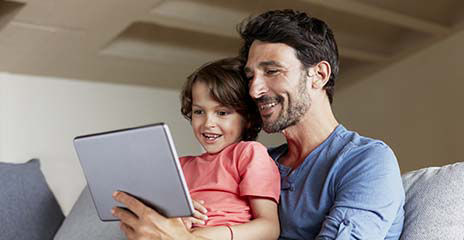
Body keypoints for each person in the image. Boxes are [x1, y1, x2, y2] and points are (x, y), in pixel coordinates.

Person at [112, 9, 405, 240]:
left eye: (272, 71)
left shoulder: (365, 161)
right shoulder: (260, 161)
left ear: (318, 75)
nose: (254, 90)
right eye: (251, 76)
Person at [114, 57, 281, 240]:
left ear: (248, 118)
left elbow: (269, 228)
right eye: (199, 112)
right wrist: (176, 214)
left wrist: (207, 236)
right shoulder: (179, 166)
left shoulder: (249, 153)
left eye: (222, 113)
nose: (208, 123)